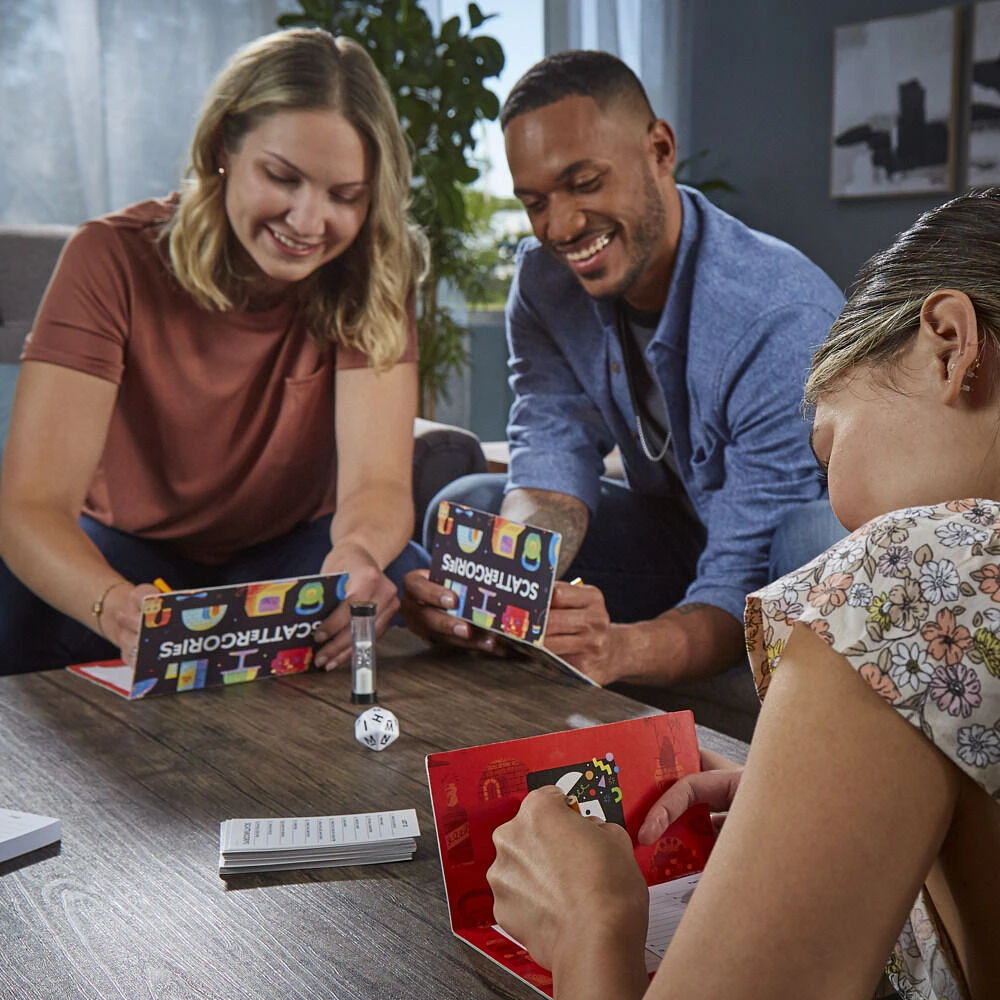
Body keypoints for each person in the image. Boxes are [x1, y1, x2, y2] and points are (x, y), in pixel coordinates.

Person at [485, 188, 1000, 1000]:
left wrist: (590, 922)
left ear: (948, 345)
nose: (836, 502)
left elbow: (752, 562)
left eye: (827, 448)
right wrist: (819, 803)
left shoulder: (910, 574)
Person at [402, 50, 845, 689]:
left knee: (808, 535)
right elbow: (551, 446)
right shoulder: (543, 283)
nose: (560, 227)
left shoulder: (775, 318)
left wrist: (620, 651)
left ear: (660, 149)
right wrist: (506, 585)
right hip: (674, 533)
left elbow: (745, 583)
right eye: (534, 201)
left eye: (584, 183)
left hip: (787, 563)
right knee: (467, 505)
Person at [0, 28, 428, 674]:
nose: (309, 224)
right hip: (123, 554)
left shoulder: (373, 275)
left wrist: (359, 555)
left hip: (286, 557)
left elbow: (379, 485)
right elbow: (31, 506)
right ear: (224, 146)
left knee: (400, 573)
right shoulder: (107, 259)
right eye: (282, 177)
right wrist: (113, 604)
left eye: (346, 197)